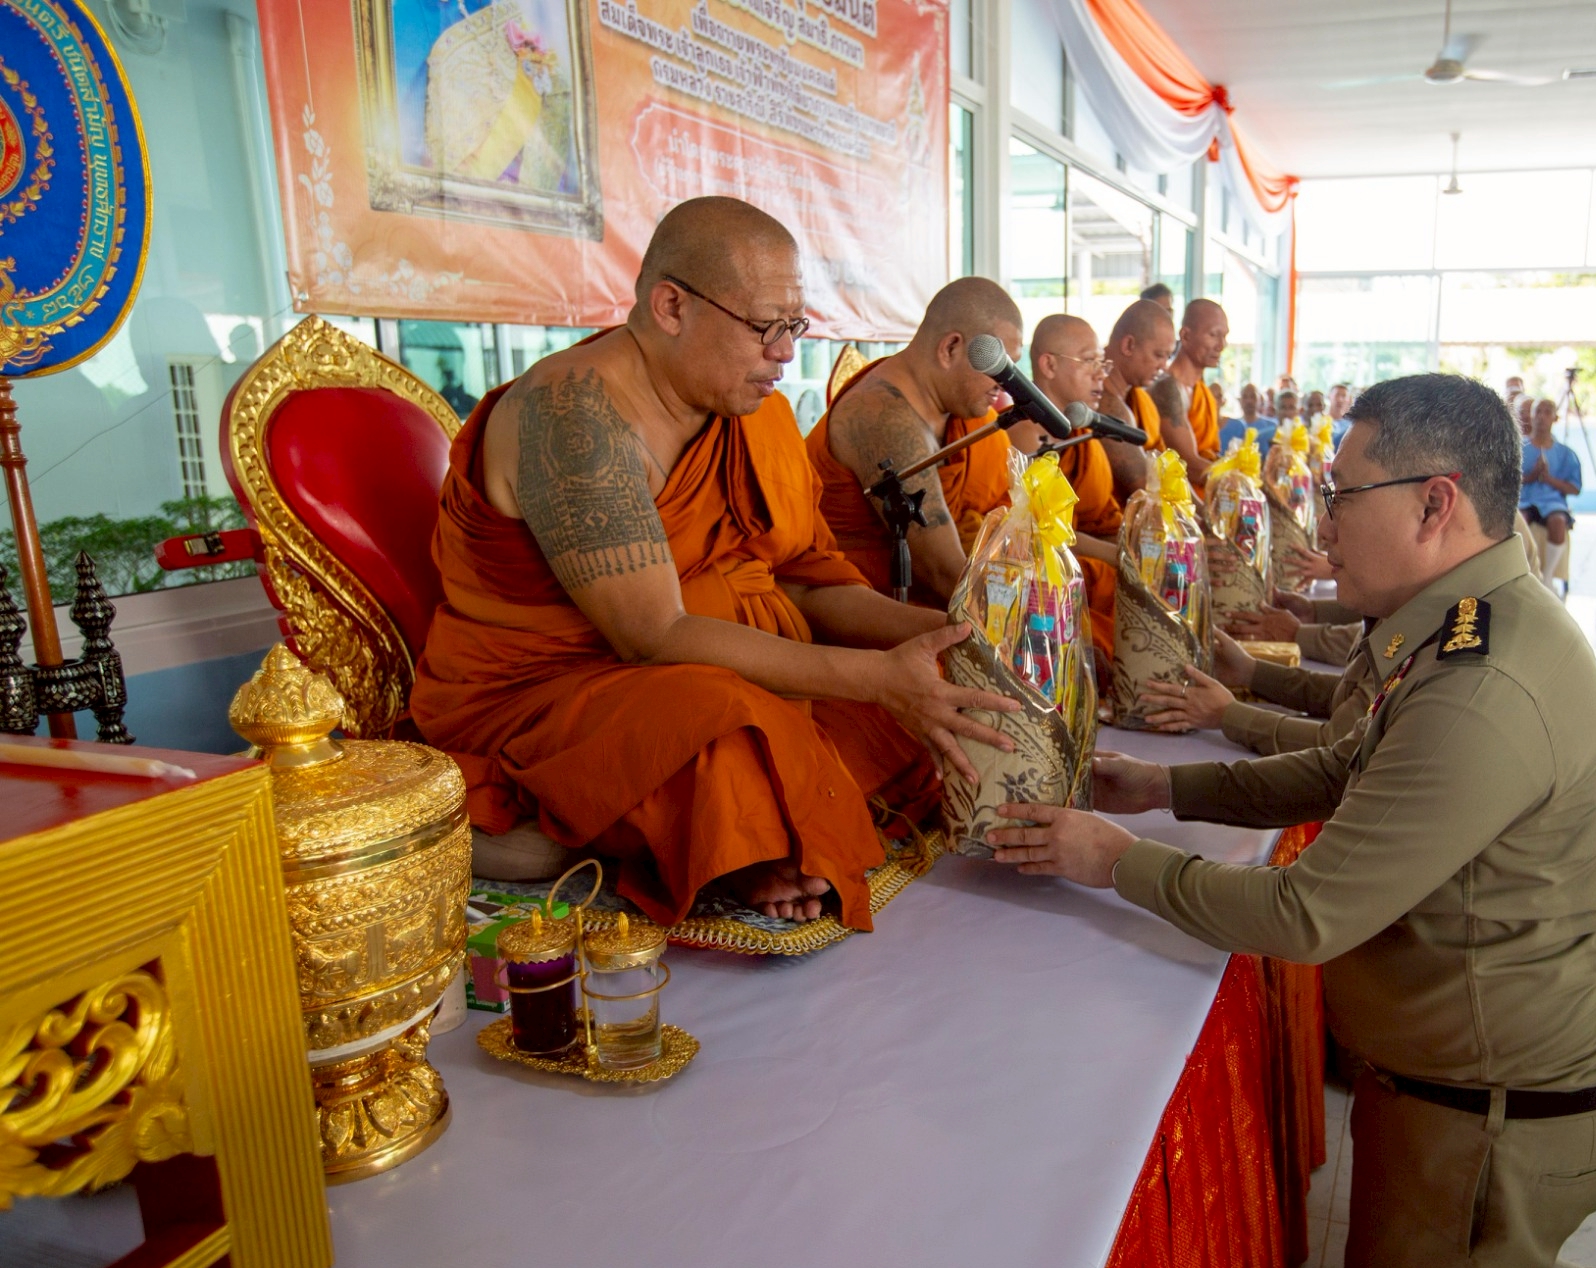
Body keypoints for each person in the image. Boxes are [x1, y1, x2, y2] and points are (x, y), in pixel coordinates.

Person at [984, 373, 1596, 1268]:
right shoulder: (1457, 620)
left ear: (1434, 504)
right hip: (1453, 1090)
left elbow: (1306, 914)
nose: (1323, 522)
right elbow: (1345, 768)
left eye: (1341, 496)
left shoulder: (1482, 679)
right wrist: (1166, 790)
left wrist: (1114, 860)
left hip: (1494, 1119)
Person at [410, 197, 1018, 926]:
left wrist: (949, 633)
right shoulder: (572, 414)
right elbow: (653, 635)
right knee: (729, 725)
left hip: (715, 661)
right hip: (550, 690)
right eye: (766, 327)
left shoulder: (749, 412)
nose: (784, 353)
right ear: (671, 306)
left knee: (927, 693)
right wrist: (875, 678)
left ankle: (734, 828)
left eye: (794, 327)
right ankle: (719, 832)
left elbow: (802, 579)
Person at [808, 276, 1023, 607]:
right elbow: (941, 571)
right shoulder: (882, 415)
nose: (1005, 384)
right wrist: (1029, 622)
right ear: (950, 348)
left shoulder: (958, 413)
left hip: (945, 601)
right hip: (873, 618)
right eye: (995, 364)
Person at [1013, 314, 1122, 660]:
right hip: (1046, 585)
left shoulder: (1081, 433)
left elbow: (1100, 518)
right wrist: (1121, 556)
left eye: (1102, 363)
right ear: (1049, 365)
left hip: (1087, 570)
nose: (1100, 374)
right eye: (1089, 361)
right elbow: (1044, 535)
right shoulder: (1024, 434)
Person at [1093, 298, 1177, 504]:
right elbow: (1148, 490)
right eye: (1159, 355)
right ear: (1128, 345)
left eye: (1168, 357)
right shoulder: (1102, 403)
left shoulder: (1140, 400)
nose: (1164, 366)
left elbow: (1168, 472)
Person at [1151, 299, 1229, 481]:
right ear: (1185, 335)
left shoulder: (1203, 392)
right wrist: (1238, 481)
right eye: (1213, 335)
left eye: (1224, 336)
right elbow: (1188, 464)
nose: (1221, 345)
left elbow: (1208, 453)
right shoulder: (1167, 388)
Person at [1520, 397, 1580, 594]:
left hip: (1552, 502)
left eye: (1547, 412)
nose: (1541, 417)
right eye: (1537, 411)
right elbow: (1506, 479)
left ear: (1555, 418)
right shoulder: (1519, 448)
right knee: (1520, 521)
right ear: (1531, 415)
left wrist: (1549, 479)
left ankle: (1547, 576)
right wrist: (1531, 476)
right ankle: (1523, 573)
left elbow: (1574, 488)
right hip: (1524, 500)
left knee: (1558, 521)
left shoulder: (1565, 453)